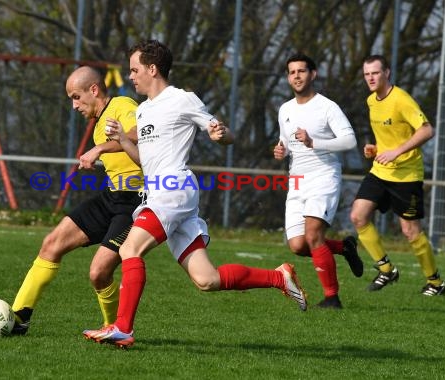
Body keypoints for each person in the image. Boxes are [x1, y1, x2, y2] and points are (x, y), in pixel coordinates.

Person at [82, 40, 308, 349]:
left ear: (152, 69)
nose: (131, 76)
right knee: (207, 280)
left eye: (134, 70)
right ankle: (279, 277)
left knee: (129, 250)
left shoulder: (182, 99)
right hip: (160, 192)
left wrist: (220, 134)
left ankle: (122, 327)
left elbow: (224, 133)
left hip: (173, 189)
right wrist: (123, 138)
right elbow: (144, 162)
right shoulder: (145, 110)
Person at [10, 66, 145, 334]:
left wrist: (100, 148)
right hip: (112, 197)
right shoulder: (98, 126)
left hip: (136, 202)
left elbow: (139, 134)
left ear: (93, 90)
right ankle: (19, 318)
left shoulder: (121, 104)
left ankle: (114, 327)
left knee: (98, 273)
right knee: (51, 243)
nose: (74, 105)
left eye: (75, 97)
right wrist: (100, 147)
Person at [350, 54, 445, 296]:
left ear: (387, 73)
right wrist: (376, 149)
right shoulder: (371, 100)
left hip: (406, 175)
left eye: (375, 73)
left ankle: (435, 283)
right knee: (358, 216)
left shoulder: (401, 99)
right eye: (367, 74)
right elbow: (389, 138)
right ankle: (386, 269)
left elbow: (427, 130)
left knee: (410, 231)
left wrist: (397, 152)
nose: (370, 78)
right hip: (381, 171)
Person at [273, 53, 362, 309]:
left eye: (301, 71)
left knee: (313, 234)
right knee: (299, 245)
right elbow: (285, 142)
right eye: (292, 72)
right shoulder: (286, 109)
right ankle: (343, 248)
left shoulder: (327, 107)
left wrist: (316, 142)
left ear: (313, 74)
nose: (296, 76)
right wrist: (281, 150)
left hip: (324, 176)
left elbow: (349, 140)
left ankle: (332, 297)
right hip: (297, 179)